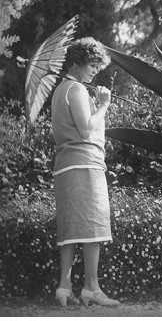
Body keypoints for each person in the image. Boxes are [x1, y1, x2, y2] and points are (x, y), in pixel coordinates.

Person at [51, 37, 120, 307]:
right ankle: (91, 287)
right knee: (93, 226)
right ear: (78, 62)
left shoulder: (61, 90)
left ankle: (64, 287)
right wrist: (103, 104)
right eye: (92, 64)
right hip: (85, 164)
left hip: (67, 165)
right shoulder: (76, 90)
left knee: (70, 228)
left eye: (97, 66)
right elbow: (86, 129)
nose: (95, 70)